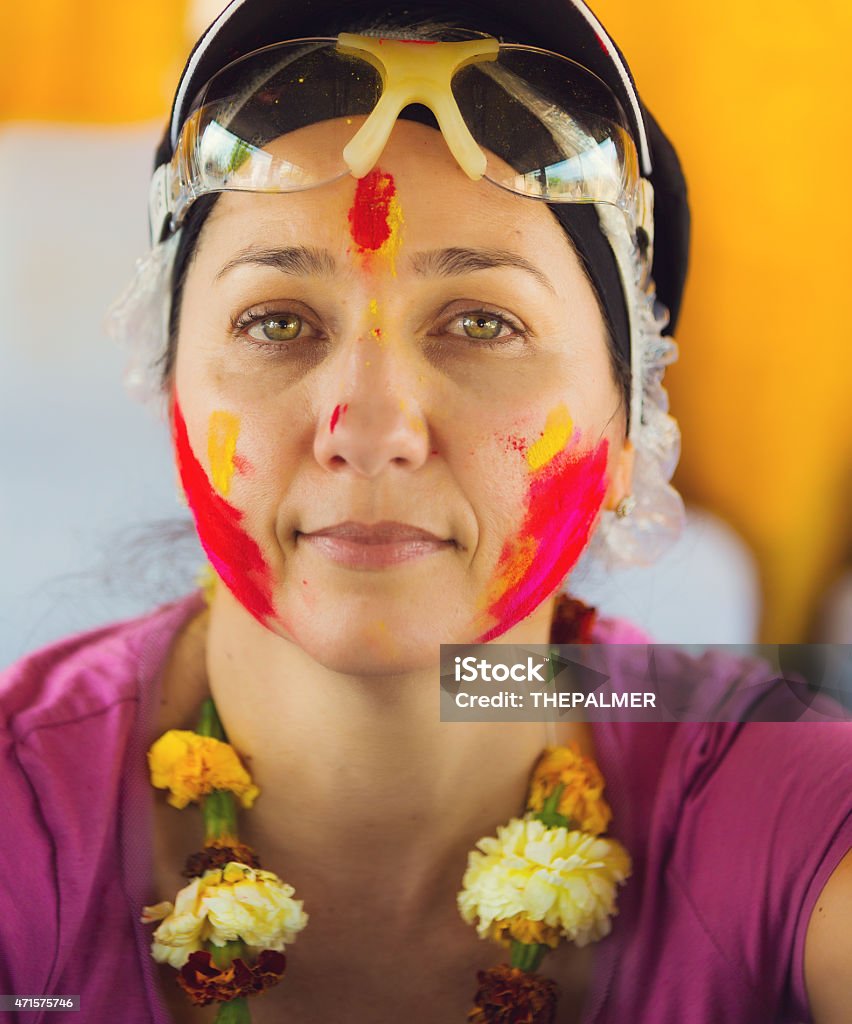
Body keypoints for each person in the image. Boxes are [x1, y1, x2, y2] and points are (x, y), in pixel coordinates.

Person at [1, 1, 850, 1022]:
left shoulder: (769, 785)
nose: (368, 426)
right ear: (170, 384)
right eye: (277, 321)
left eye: (481, 323)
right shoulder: (25, 812)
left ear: (629, 427)